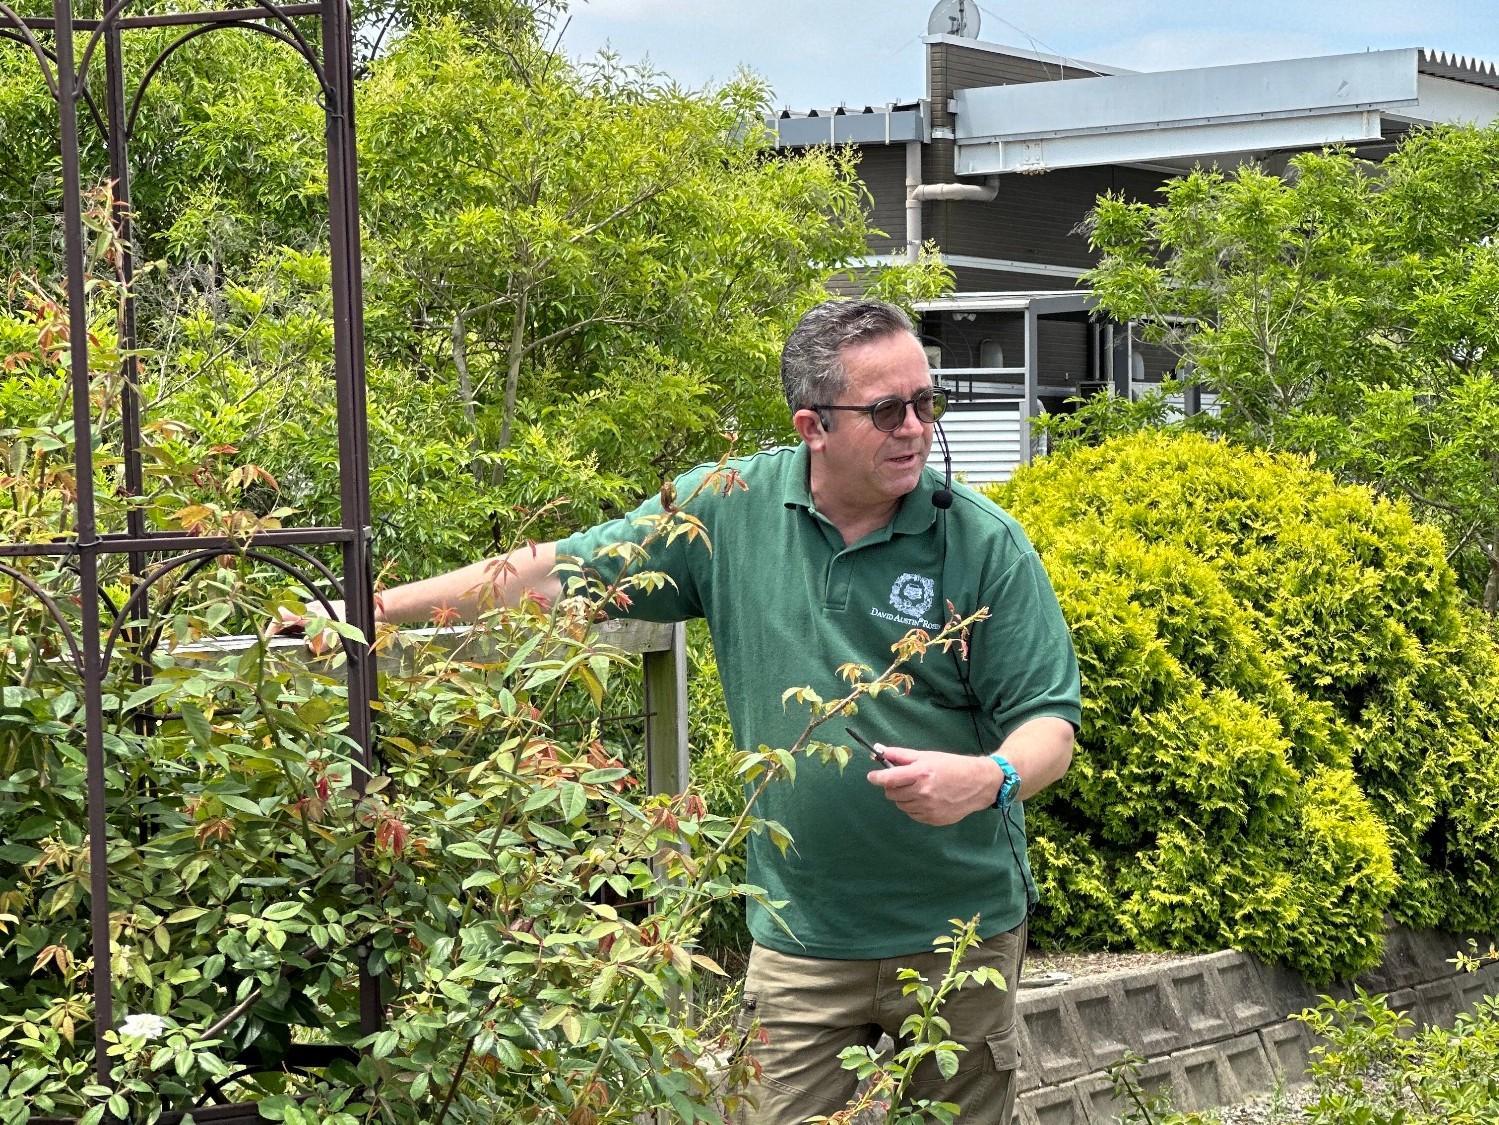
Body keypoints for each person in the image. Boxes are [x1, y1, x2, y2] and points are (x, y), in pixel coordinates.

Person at [290, 299, 1080, 1123]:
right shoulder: (731, 505)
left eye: (927, 403)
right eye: (887, 410)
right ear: (812, 424)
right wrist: (371, 608)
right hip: (800, 935)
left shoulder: (984, 543)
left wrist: (988, 777)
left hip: (959, 934)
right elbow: (559, 571)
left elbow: (1049, 725)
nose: (915, 428)